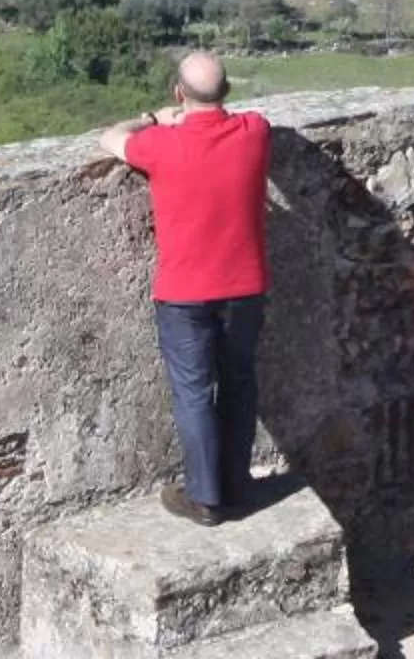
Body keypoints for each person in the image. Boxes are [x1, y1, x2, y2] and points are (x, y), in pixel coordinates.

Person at [98, 52, 272, 524]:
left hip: (184, 292)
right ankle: (236, 486)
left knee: (194, 393)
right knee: (239, 383)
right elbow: (246, 124)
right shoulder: (254, 133)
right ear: (228, 90)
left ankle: (206, 498)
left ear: (179, 93)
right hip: (245, 286)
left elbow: (108, 138)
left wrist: (151, 119)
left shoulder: (160, 145)